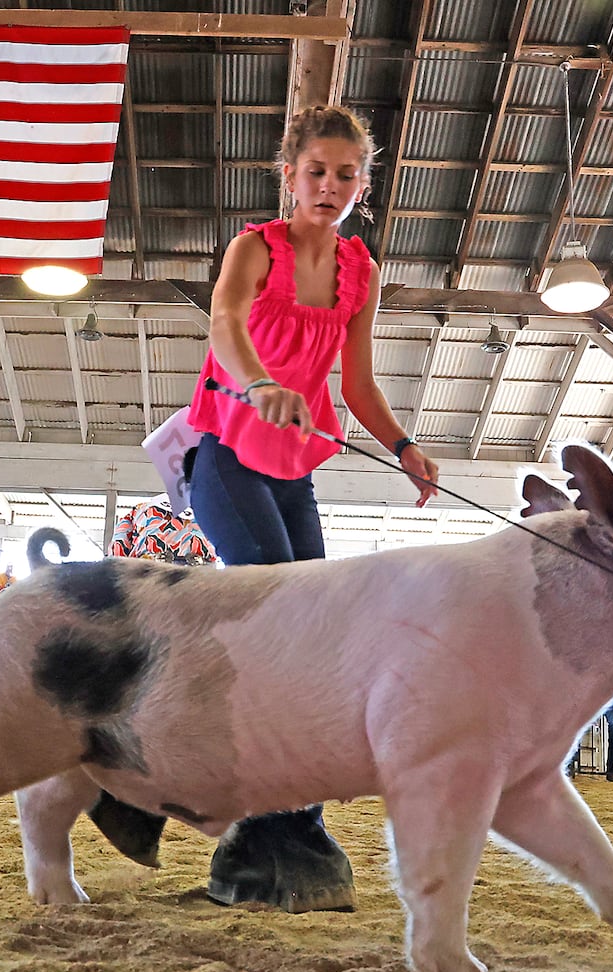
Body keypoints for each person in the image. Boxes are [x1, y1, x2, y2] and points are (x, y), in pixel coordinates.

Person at [177, 105, 438, 913]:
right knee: (285, 616)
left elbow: (355, 385)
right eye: (316, 172)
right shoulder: (255, 248)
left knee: (319, 628)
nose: (330, 186)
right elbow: (223, 323)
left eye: (346, 175)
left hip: (295, 468)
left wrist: (402, 447)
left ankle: (281, 822)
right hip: (225, 455)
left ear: (364, 184)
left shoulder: (360, 269)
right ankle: (270, 815)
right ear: (287, 176)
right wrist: (258, 383)